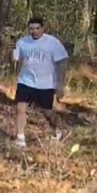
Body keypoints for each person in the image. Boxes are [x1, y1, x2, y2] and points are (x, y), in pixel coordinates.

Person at [11, 16, 68, 146]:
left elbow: (62, 63)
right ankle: (20, 138)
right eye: (31, 28)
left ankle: (58, 130)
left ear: (43, 28)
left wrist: (60, 84)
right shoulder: (22, 42)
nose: (34, 31)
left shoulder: (52, 42)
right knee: (21, 108)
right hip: (26, 81)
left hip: (46, 83)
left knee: (47, 111)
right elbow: (17, 59)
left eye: (37, 28)